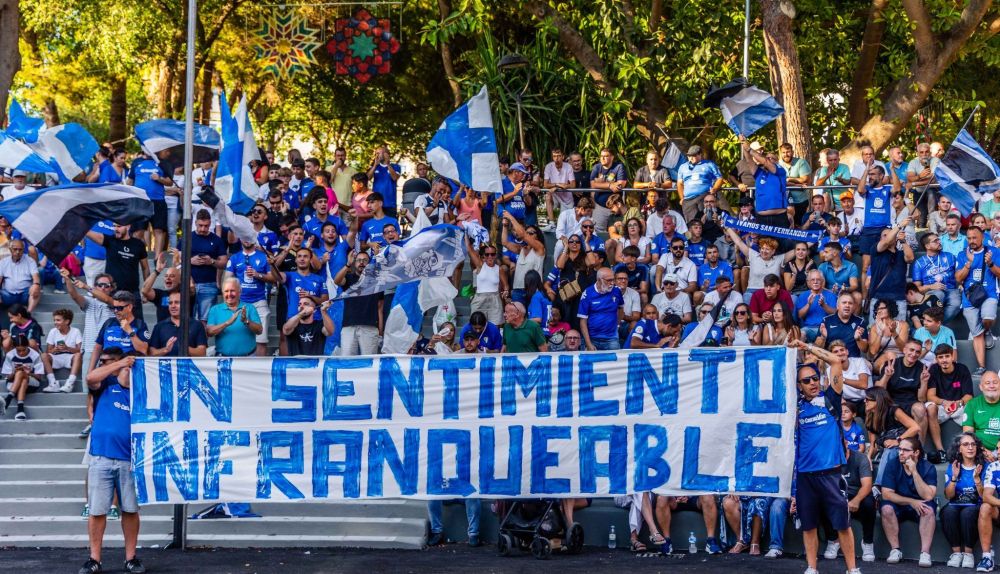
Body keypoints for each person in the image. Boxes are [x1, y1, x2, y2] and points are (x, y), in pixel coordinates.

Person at [787, 339, 861, 574]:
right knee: (808, 526)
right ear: (798, 385)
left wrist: (806, 347)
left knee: (842, 524)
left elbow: (836, 361)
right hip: (805, 476)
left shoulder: (831, 400)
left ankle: (852, 569)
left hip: (831, 473)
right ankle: (812, 567)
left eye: (815, 378)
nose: (812, 383)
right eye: (806, 381)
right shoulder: (795, 408)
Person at [79, 350, 145, 574]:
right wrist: (119, 364)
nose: (129, 370)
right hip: (102, 456)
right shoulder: (106, 384)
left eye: (132, 367)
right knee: (97, 510)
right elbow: (89, 378)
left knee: (130, 509)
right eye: (127, 366)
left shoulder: (141, 392)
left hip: (130, 458)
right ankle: (94, 559)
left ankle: (131, 557)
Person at [878, 436, 937, 567]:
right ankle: (895, 550)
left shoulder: (928, 467)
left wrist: (914, 471)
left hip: (921, 506)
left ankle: (925, 553)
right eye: (899, 449)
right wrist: (911, 501)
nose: (901, 453)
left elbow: (928, 495)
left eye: (905, 450)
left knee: (928, 509)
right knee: (886, 508)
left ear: (916, 453)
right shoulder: (893, 464)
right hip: (899, 505)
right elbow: (886, 494)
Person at [956, 226, 1000, 376]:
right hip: (969, 299)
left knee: (987, 318)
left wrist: (991, 264)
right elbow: (958, 279)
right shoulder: (962, 254)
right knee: (976, 335)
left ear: (982, 237)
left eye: (975, 237)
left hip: (989, 294)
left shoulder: (994, 252)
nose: (971, 241)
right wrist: (968, 263)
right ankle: (982, 367)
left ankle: (987, 329)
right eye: (969, 238)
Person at [85, 223, 150, 322]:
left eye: (119, 226)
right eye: (114, 226)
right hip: (112, 294)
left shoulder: (138, 244)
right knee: (112, 327)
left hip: (133, 293)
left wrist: (146, 291)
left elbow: (145, 268)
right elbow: (88, 233)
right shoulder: (109, 240)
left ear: (128, 227)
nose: (115, 229)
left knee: (138, 326)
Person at [940, 432, 984, 569]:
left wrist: (977, 480)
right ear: (959, 449)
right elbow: (948, 495)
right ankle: (957, 553)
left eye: (973, 444)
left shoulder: (983, 466)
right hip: (956, 503)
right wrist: (954, 477)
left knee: (968, 513)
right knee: (947, 512)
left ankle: (968, 554)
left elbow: (985, 496)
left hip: (976, 505)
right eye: (965, 444)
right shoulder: (953, 466)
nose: (970, 447)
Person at [333, 251, 383, 356]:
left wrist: (380, 332)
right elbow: (337, 281)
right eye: (359, 260)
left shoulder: (377, 281)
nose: (361, 263)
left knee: (369, 362)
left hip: (370, 327)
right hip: (349, 326)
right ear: (355, 263)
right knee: (347, 362)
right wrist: (347, 264)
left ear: (369, 263)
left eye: (365, 260)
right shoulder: (349, 278)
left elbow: (380, 308)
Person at [187, 209, 229, 320]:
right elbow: (177, 259)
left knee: (205, 320)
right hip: (189, 283)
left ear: (210, 224)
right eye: (200, 225)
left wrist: (212, 261)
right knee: (187, 319)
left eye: (206, 226)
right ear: (195, 223)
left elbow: (224, 262)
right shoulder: (188, 237)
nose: (203, 229)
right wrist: (190, 260)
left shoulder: (216, 240)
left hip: (209, 284)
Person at [205, 278, 263, 358]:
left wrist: (246, 321)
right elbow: (209, 332)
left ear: (240, 292)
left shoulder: (250, 308)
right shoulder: (215, 309)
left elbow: (259, 330)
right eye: (226, 291)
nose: (229, 294)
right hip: (223, 360)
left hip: (248, 359)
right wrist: (227, 323)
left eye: (232, 291)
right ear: (222, 292)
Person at [912, 232, 961, 323]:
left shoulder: (950, 256)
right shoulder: (919, 263)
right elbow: (916, 288)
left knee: (956, 304)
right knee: (939, 295)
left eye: (939, 239)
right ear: (927, 246)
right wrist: (931, 286)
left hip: (951, 289)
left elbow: (959, 274)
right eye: (935, 241)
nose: (939, 242)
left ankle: (937, 325)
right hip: (932, 290)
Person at [146, 291, 208, 357]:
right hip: (166, 366)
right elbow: (151, 353)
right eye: (170, 303)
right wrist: (165, 350)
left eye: (177, 302)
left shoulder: (197, 325)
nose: (173, 306)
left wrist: (185, 348)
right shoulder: (159, 326)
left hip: (188, 366)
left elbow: (202, 352)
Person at [578, 267, 624, 351]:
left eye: (613, 280)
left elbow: (621, 309)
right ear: (599, 280)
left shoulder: (617, 291)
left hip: (612, 338)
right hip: (592, 338)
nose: (612, 283)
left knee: (615, 363)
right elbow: (583, 320)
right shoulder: (587, 293)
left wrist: (617, 325)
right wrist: (588, 344)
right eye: (609, 280)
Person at [677, 145, 726, 222]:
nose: (690, 158)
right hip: (688, 200)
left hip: (704, 197)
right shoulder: (683, 167)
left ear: (700, 154)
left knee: (707, 221)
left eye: (693, 156)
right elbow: (679, 184)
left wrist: (715, 189)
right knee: (692, 224)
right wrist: (682, 198)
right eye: (689, 156)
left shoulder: (709, 164)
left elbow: (720, 178)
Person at [0, 334, 43, 420]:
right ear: (14, 347)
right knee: (21, 376)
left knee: (21, 374)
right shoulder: (10, 355)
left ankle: (8, 399)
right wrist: (14, 372)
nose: (21, 353)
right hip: (13, 383)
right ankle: (20, 410)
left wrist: (29, 373)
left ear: (27, 346)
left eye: (24, 350)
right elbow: (7, 377)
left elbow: (39, 377)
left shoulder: (35, 355)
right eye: (18, 350)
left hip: (32, 383)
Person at [41, 308, 83, 393]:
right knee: (43, 355)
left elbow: (80, 350)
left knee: (78, 355)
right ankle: (53, 383)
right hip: (56, 357)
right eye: (54, 320)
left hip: (70, 357)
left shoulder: (76, 331)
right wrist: (54, 349)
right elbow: (48, 351)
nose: (55, 322)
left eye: (58, 320)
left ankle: (69, 384)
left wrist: (67, 348)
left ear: (67, 321)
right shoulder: (53, 331)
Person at [465, 239, 506, 326]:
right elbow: (469, 249)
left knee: (495, 327)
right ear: (483, 256)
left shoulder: (499, 269)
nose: (490, 257)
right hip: (480, 298)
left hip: (495, 298)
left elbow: (506, 285)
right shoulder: (480, 265)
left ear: (496, 255)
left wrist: (506, 291)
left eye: (492, 254)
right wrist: (466, 233)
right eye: (487, 254)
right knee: (476, 324)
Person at [0, 239, 41, 323]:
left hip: (24, 295)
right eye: (15, 249)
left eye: (20, 249)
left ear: (23, 249)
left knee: (36, 287)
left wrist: (36, 284)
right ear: (10, 249)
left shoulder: (30, 261)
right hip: (7, 295)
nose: (18, 252)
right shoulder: (3, 262)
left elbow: (36, 277)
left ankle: (28, 313)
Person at [589, 148, 628, 233]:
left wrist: (600, 183)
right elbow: (593, 184)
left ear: (612, 157)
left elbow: (620, 185)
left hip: (615, 207)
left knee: (618, 230)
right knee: (598, 231)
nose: (603, 158)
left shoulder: (619, 166)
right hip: (600, 207)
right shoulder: (597, 167)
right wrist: (610, 185)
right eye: (601, 156)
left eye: (606, 156)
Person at [963, 372, 1000, 457]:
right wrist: (982, 450)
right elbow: (968, 435)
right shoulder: (972, 404)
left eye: (995, 382)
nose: (992, 386)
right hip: (979, 451)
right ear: (981, 387)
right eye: (987, 383)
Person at [796, 270, 837, 343]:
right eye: (812, 280)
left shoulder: (831, 295)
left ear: (822, 281)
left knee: (822, 339)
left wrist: (824, 305)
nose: (815, 282)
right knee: (801, 334)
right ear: (808, 282)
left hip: (826, 328)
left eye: (818, 279)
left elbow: (835, 314)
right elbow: (799, 315)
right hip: (809, 328)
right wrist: (808, 304)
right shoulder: (803, 295)